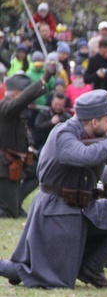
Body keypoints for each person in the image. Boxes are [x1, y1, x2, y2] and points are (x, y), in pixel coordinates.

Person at [0, 90, 107, 288]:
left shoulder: (100, 135)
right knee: (33, 272)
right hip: (57, 210)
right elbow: (83, 155)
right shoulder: (63, 133)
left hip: (86, 206)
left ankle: (91, 269)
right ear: (94, 122)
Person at [0, 69, 55, 218]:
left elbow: (25, 132)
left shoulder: (14, 112)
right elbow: (22, 101)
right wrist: (43, 79)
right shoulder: (5, 107)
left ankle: (16, 203)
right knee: (11, 213)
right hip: (5, 166)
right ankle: (11, 206)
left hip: (19, 162)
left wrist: (30, 145)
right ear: (17, 94)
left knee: (40, 170)